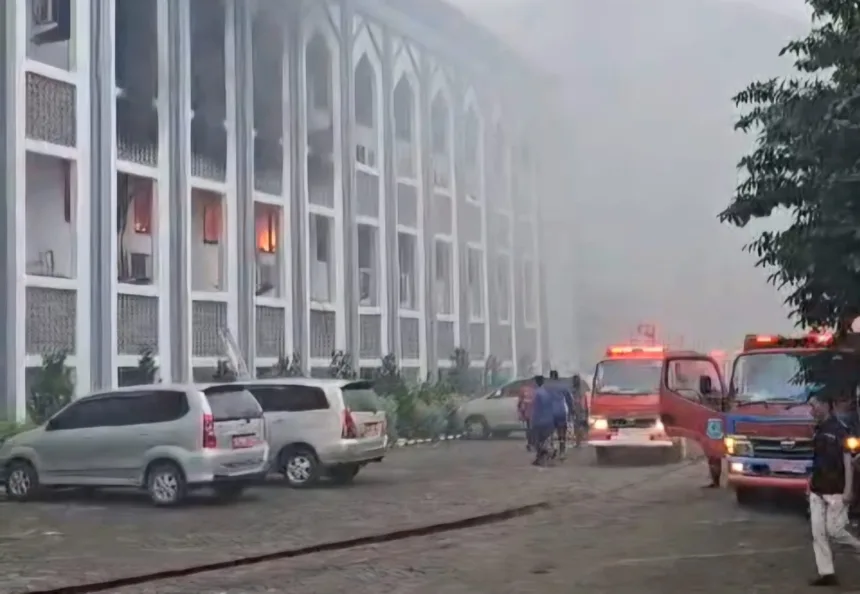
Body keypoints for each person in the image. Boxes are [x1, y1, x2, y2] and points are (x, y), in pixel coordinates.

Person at [807, 394, 860, 586]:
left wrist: (848, 489)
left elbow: (849, 462)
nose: (811, 410)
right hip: (817, 489)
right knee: (818, 533)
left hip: (836, 490)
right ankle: (826, 573)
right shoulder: (818, 429)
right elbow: (817, 460)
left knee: (835, 530)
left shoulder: (841, 431)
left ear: (825, 405)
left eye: (814, 406)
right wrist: (810, 483)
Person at [529, 375, 556, 466]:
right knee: (545, 440)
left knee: (537, 441)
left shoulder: (536, 394)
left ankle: (547, 453)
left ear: (536, 382)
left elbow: (535, 408)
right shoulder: (548, 392)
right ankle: (544, 456)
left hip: (539, 421)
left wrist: (532, 420)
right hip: (549, 420)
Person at [548, 370, 573, 459]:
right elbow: (569, 400)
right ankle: (562, 453)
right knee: (562, 432)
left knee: (549, 433)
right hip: (561, 412)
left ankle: (551, 448)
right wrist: (571, 411)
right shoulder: (563, 386)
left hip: (550, 413)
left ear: (550, 377)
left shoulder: (546, 387)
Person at [571, 374, 588, 447]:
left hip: (580, 410)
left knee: (579, 426)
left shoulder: (580, 390)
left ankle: (579, 442)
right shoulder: (577, 389)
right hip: (579, 410)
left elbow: (581, 401)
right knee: (578, 426)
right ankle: (578, 442)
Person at [517, 383, 535, 451]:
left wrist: (520, 412)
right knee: (531, 429)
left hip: (529, 412)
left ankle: (531, 443)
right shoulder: (537, 388)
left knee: (530, 429)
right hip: (531, 412)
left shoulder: (524, 389)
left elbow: (520, 402)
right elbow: (520, 402)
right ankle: (532, 443)